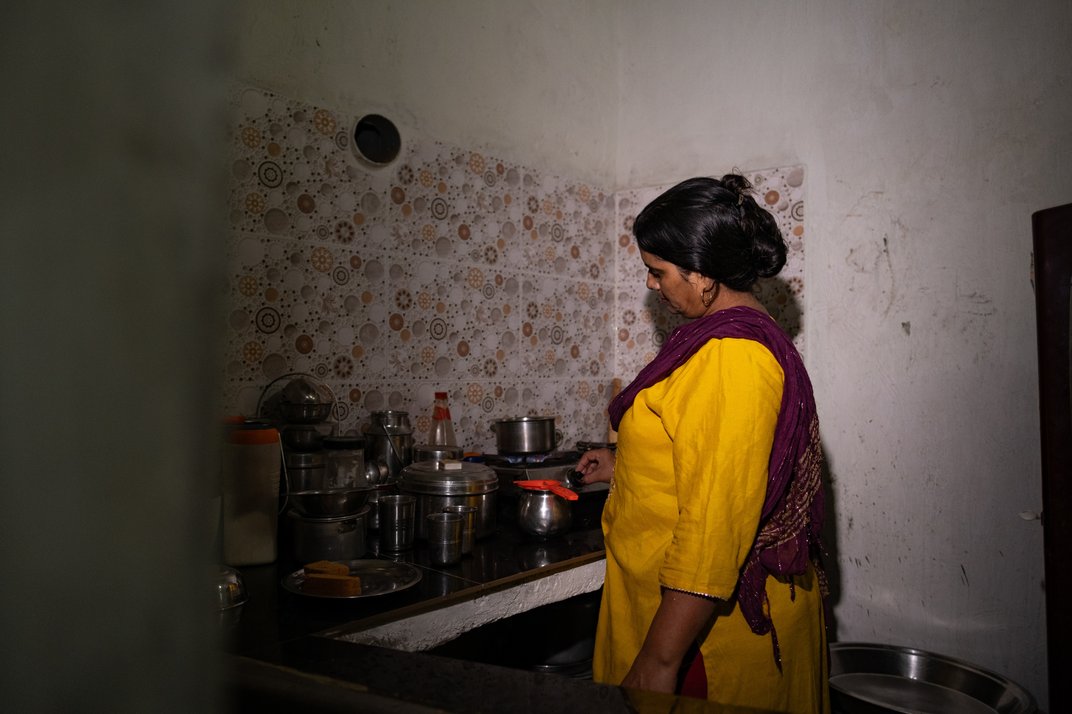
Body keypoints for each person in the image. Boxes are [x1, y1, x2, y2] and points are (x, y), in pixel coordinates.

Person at [575, 174, 828, 712]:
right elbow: (711, 461)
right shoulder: (721, 340)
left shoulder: (731, 358)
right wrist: (627, 465)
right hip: (681, 618)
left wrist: (660, 660)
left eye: (657, 271)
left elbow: (714, 528)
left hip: (703, 642)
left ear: (701, 273)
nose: (651, 284)